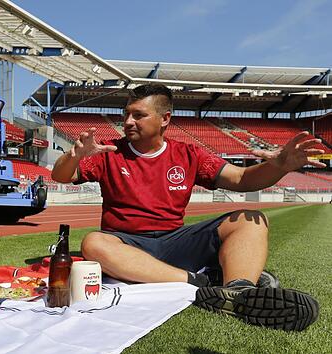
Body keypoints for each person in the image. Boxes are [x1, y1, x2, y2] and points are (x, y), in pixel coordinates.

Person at [51, 84, 322, 331]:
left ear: (165, 119)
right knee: (94, 243)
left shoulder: (190, 154)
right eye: (126, 114)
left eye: (138, 115)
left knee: (251, 218)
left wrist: (279, 166)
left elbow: (242, 179)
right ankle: (202, 285)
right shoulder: (109, 151)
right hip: (126, 245)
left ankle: (239, 292)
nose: (128, 121)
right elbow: (61, 176)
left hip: (176, 241)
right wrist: (73, 156)